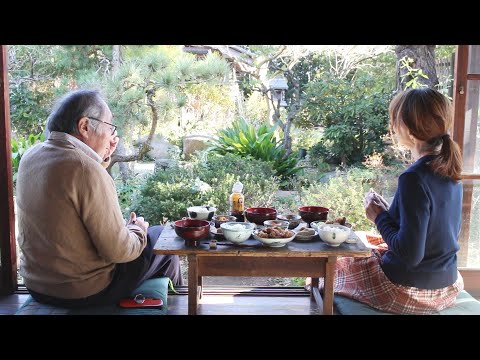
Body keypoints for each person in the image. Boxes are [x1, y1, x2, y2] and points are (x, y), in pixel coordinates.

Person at [16, 89, 184, 309]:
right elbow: (119, 251)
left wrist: (102, 159)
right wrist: (138, 230)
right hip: (83, 291)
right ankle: (175, 306)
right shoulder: (85, 169)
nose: (112, 134)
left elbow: (74, 195)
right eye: (110, 126)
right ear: (85, 126)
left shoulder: (32, 155)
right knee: (162, 240)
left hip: (38, 287)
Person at [313, 88, 464, 314]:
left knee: (332, 267)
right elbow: (434, 235)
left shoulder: (413, 177)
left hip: (411, 290)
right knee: (362, 240)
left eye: (395, 121)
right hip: (448, 285)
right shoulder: (450, 169)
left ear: (409, 131)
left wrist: (378, 216)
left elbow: (410, 255)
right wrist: (390, 212)